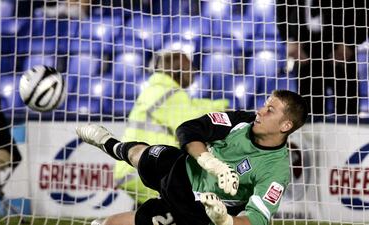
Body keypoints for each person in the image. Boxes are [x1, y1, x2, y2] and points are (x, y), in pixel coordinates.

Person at [77, 89, 308, 225]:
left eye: (270, 110)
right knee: (142, 155)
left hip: (192, 209)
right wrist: (210, 162)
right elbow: (189, 129)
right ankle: (110, 143)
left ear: (286, 125)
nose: (260, 111)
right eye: (264, 105)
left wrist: (225, 220)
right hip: (180, 167)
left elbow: (256, 220)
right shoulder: (240, 121)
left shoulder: (276, 171)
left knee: (127, 222)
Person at [109, 51, 229, 224]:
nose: (194, 71)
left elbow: (195, 106)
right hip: (142, 169)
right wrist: (223, 117)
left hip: (137, 167)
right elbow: (191, 121)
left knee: (153, 216)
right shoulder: (169, 94)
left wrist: (222, 107)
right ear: (178, 71)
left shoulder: (159, 90)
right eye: (190, 68)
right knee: (186, 211)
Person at [276, 0, 369, 116]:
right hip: (304, 47)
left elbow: (362, 9)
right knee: (308, 108)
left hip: (340, 45)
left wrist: (350, 43)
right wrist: (289, 39)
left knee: (346, 106)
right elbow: (282, 7)